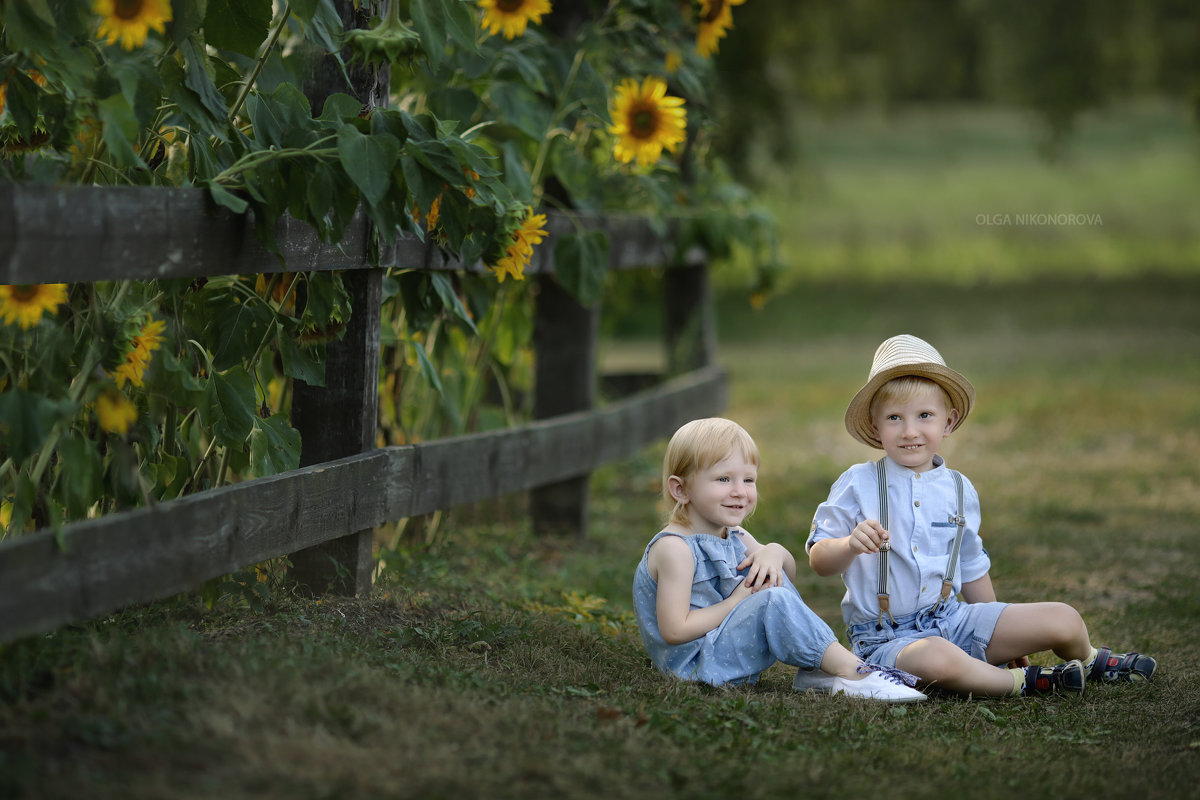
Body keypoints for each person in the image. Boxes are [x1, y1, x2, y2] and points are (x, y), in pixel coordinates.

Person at [806, 334, 1157, 698]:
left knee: (1064, 617)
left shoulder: (959, 489)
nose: (910, 431)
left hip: (953, 619)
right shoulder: (858, 483)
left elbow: (971, 566)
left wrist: (999, 630)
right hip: (889, 639)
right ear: (876, 427)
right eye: (895, 418)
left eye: (924, 416)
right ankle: (1024, 682)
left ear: (948, 421)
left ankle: (1086, 659)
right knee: (938, 658)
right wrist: (848, 545)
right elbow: (819, 559)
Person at [632, 417, 927, 703]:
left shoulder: (733, 533)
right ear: (680, 489)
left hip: (721, 648)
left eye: (748, 479)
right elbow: (674, 630)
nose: (739, 491)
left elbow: (788, 573)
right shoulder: (675, 549)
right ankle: (856, 673)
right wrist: (736, 602)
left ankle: (818, 668)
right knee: (770, 597)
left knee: (769, 572)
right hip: (695, 666)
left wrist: (773, 551)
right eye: (723, 479)